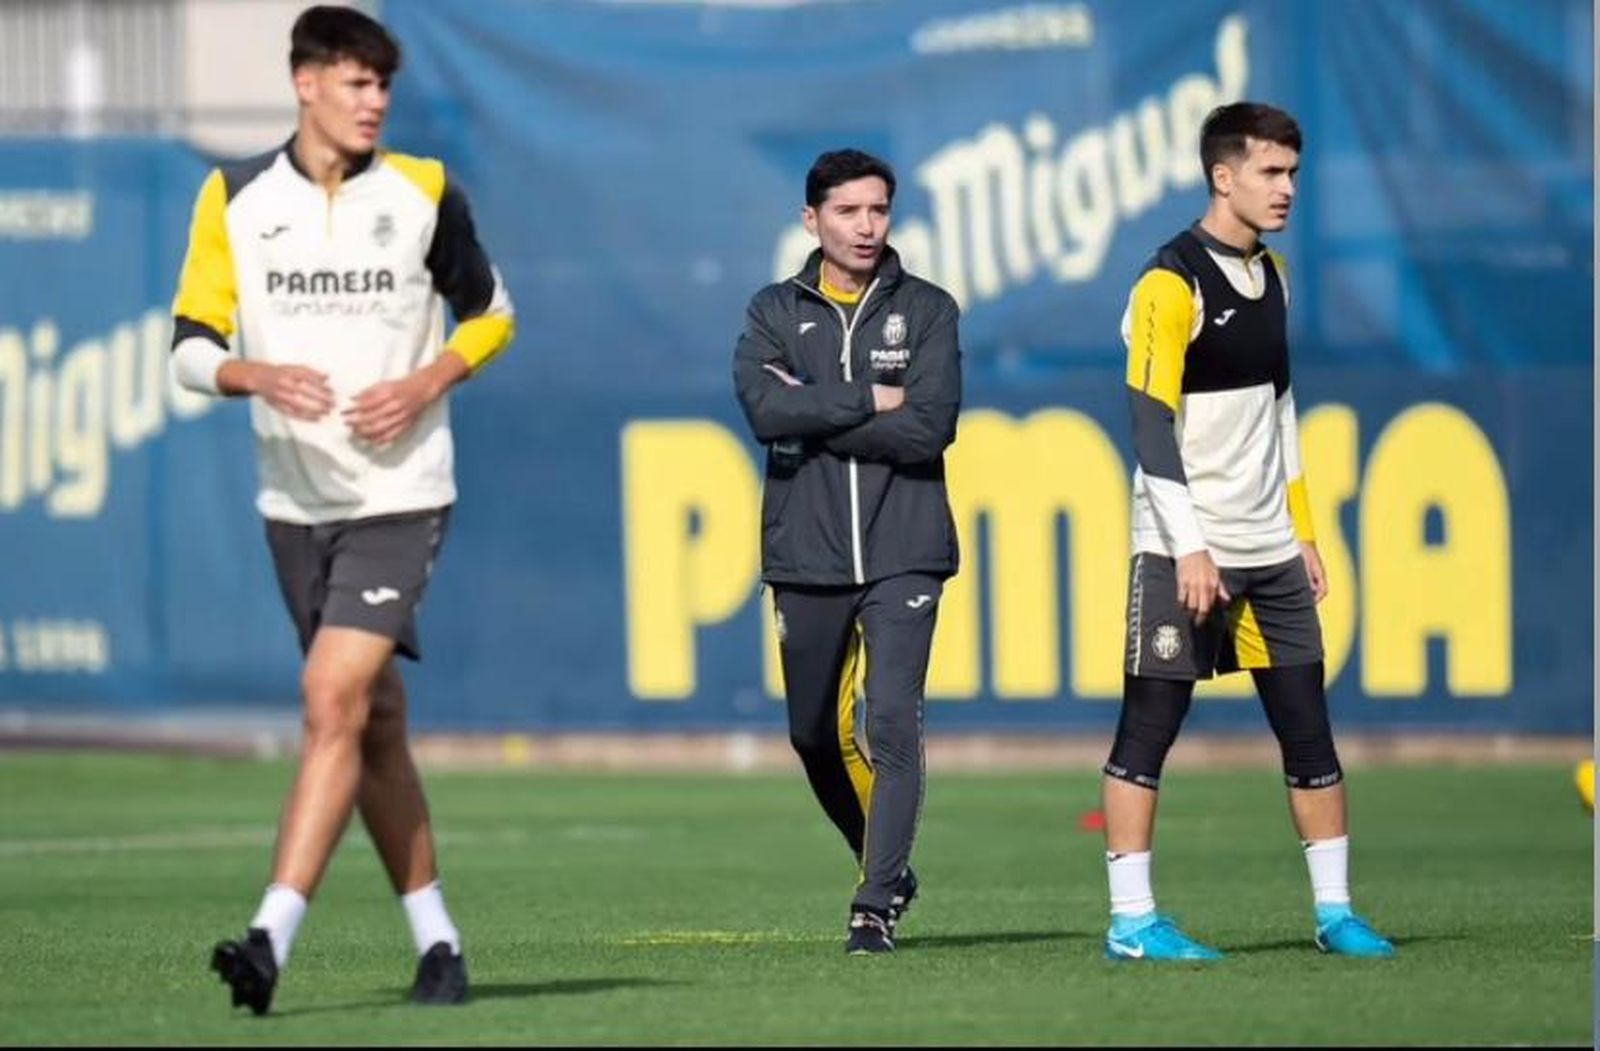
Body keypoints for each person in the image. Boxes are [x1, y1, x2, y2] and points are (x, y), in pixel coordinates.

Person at [168, 5, 515, 1012]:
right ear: (305, 82)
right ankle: (439, 944)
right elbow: (190, 343)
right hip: (295, 500)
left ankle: (269, 938)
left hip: (401, 494)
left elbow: (493, 311)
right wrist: (250, 372)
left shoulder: (422, 192)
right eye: (355, 82)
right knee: (371, 726)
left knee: (330, 698)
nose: (373, 102)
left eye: (382, 86)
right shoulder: (233, 196)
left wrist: (428, 380)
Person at [1100, 102, 1394, 961]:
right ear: (1223, 176)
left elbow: (1282, 411)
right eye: (1271, 172)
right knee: (1147, 731)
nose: (1288, 188)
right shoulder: (1169, 282)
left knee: (1309, 732)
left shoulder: (1278, 275)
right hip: (1182, 549)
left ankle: (1336, 911)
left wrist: (1302, 531)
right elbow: (1150, 422)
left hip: (1270, 549)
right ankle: (1131, 921)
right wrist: (1189, 543)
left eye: (1294, 173)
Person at [732, 149, 962, 955]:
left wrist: (815, 409)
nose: (866, 226)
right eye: (848, 212)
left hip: (907, 548)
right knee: (810, 736)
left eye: (878, 210)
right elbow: (764, 410)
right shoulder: (772, 310)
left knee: (893, 721)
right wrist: (870, 398)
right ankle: (888, 858)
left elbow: (930, 426)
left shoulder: (928, 309)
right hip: (807, 552)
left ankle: (874, 902)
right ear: (813, 220)